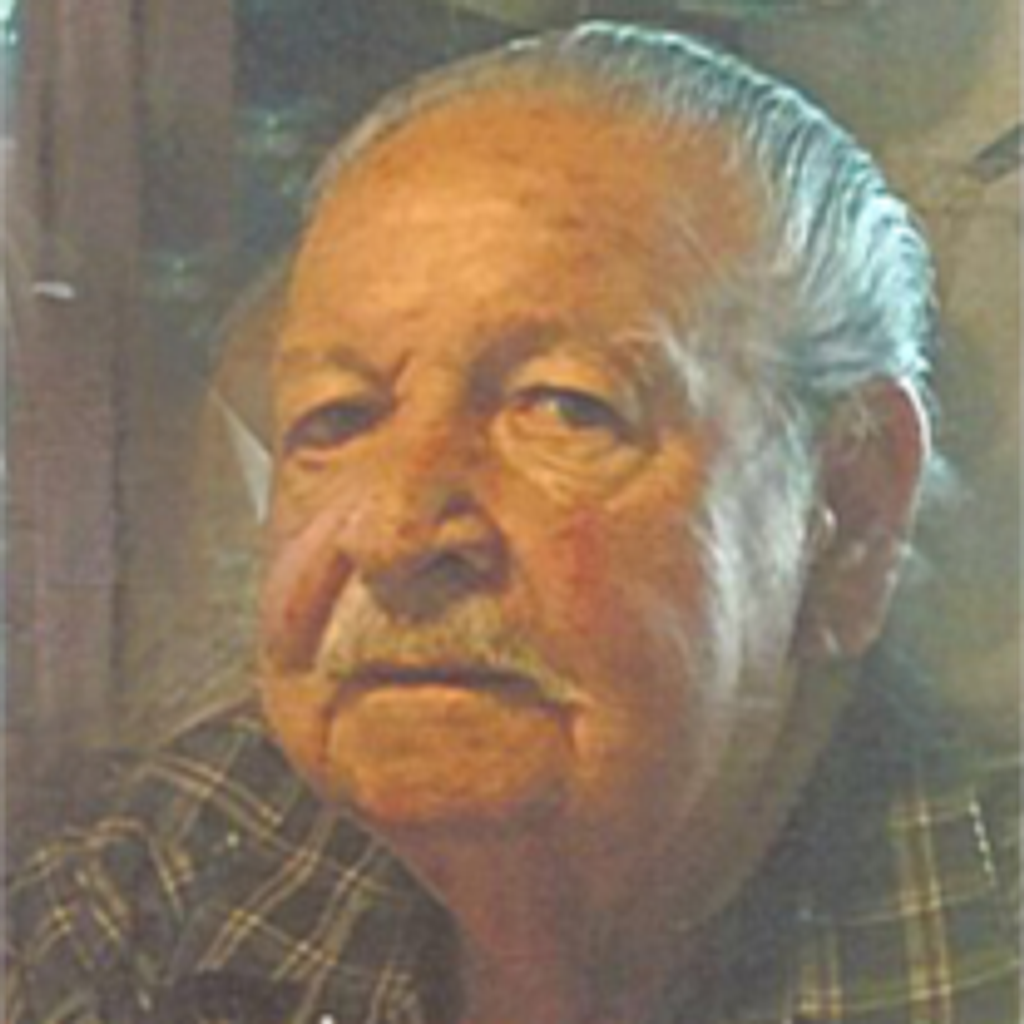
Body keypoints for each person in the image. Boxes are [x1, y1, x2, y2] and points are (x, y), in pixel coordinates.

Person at [1, 22, 1021, 1024]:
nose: (395, 532)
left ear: (847, 515)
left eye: (565, 407)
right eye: (336, 419)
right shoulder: (176, 877)